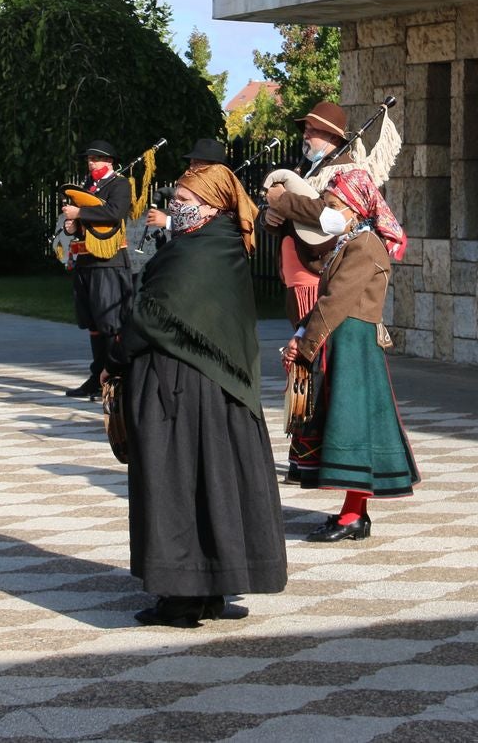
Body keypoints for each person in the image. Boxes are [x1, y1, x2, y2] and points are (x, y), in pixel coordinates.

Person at [109, 161, 287, 627]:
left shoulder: (199, 251)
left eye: (184, 201)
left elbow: (154, 314)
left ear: (212, 205)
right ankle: (208, 588)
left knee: (177, 480)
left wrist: (117, 352)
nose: (175, 207)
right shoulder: (220, 243)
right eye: (176, 199)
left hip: (181, 387)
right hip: (213, 389)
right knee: (210, 482)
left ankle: (182, 596)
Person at [282, 168, 419, 542]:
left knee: (353, 426)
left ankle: (353, 516)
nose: (327, 211)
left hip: (353, 346)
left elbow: (336, 300)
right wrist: (300, 335)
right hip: (341, 342)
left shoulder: (364, 246)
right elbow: (327, 298)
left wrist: (305, 345)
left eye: (334, 205)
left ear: (355, 208)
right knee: (347, 424)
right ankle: (352, 513)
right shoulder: (349, 242)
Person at [61, 140, 133, 400]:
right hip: (86, 260)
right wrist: (73, 225)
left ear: (110, 162)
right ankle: (96, 375)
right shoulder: (87, 186)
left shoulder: (120, 184)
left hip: (108, 261)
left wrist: (80, 211)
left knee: (110, 321)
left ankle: (114, 375)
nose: (92, 163)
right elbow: (84, 222)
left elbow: (115, 213)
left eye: (97, 159)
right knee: (92, 321)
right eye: (90, 159)